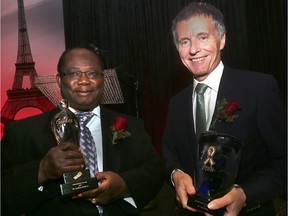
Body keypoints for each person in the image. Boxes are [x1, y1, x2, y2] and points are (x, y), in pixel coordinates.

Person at [1, 47, 164, 216]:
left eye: (93, 73)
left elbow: (154, 170)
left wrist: (124, 185)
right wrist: (41, 171)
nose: (84, 80)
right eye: (73, 73)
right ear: (58, 80)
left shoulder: (130, 125)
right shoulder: (22, 133)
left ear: (104, 79)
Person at [162, 2, 286, 216]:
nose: (193, 49)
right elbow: (168, 154)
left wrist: (245, 193)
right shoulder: (176, 103)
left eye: (202, 37)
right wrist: (176, 174)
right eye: (184, 41)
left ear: (222, 39)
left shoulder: (259, 88)